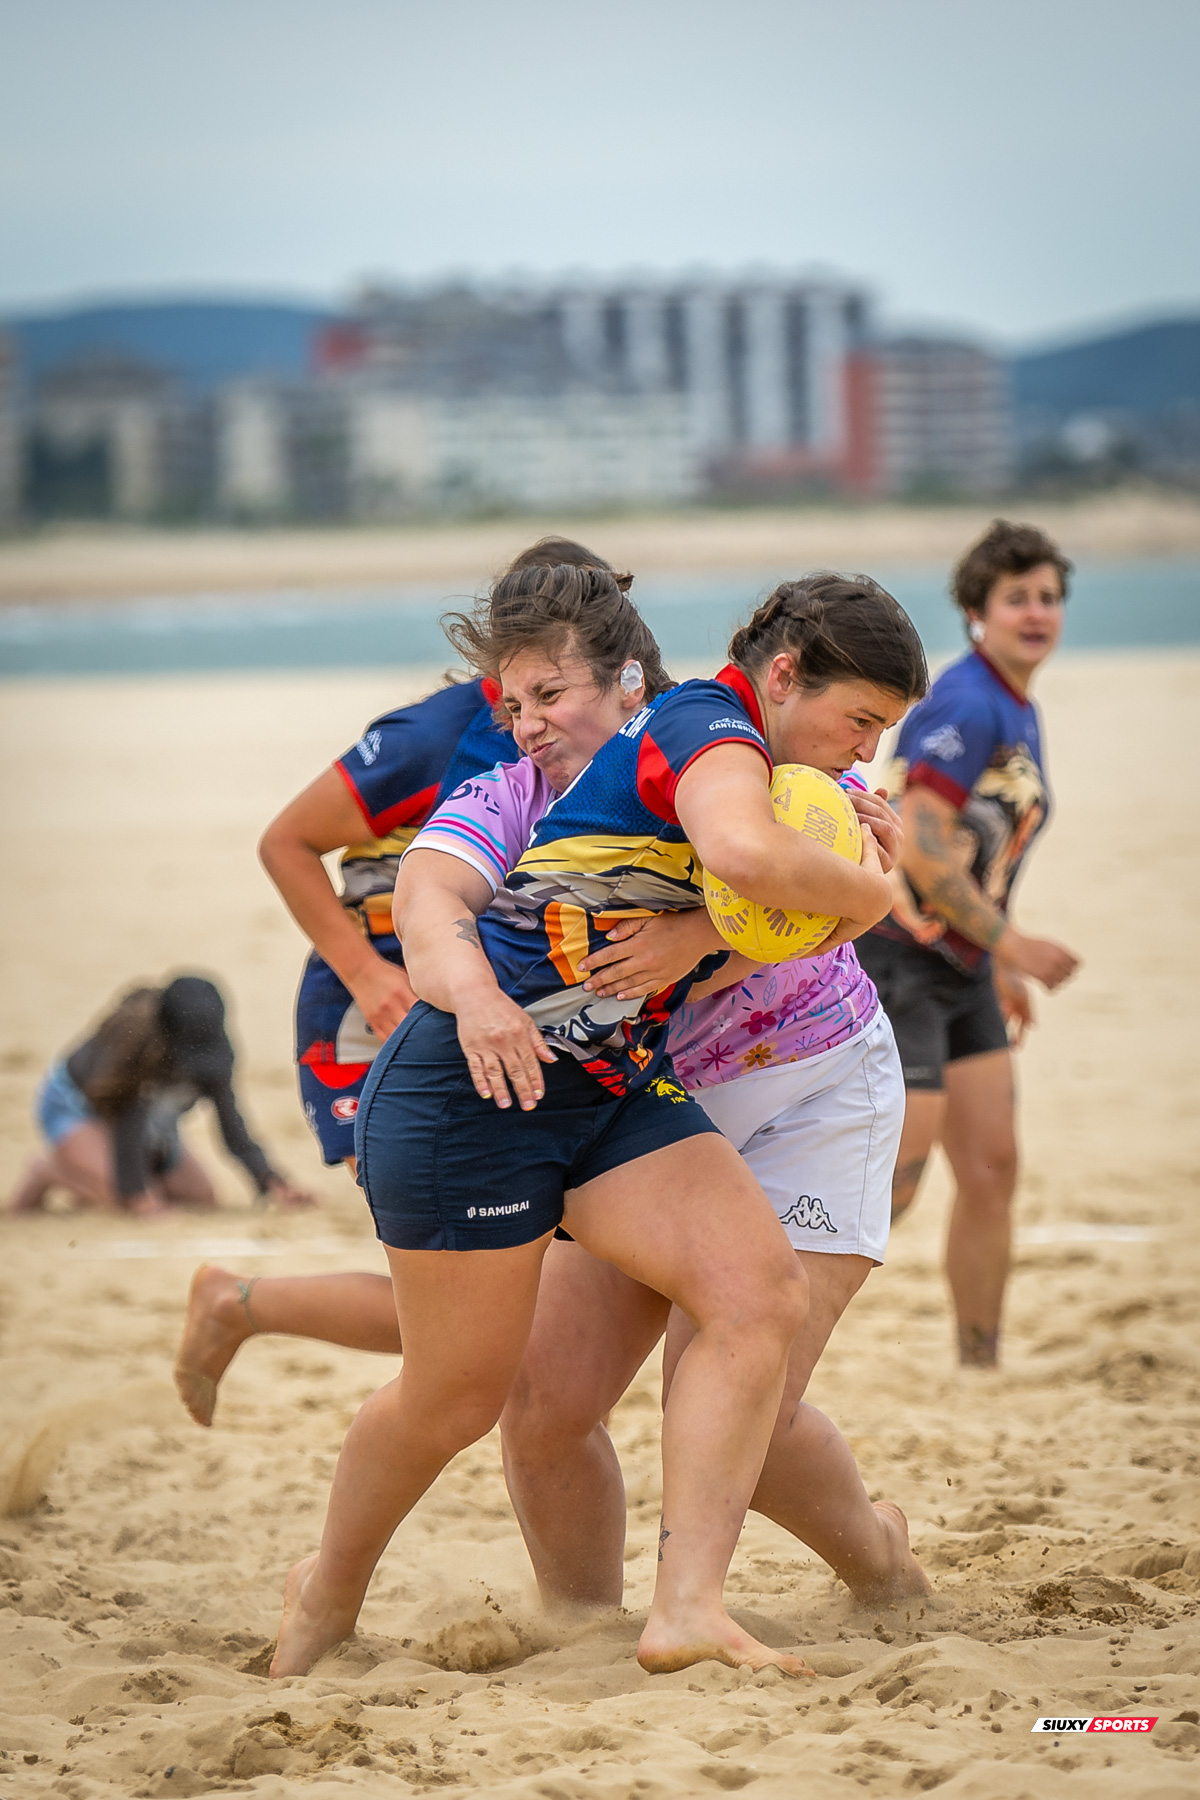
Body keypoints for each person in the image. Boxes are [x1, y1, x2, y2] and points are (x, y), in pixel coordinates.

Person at [176, 576, 932, 1616]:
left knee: (742, 1398)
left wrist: (706, 933)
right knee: (537, 1396)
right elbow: (430, 906)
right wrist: (468, 997)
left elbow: (784, 898)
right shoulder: (507, 796)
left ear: (630, 684)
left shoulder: (745, 762)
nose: (527, 724)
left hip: (808, 1082)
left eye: (550, 694)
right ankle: (583, 1630)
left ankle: (877, 1570)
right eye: (511, 702)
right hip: (629, 1099)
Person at [258, 537, 616, 1174]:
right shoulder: (432, 738)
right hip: (375, 995)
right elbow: (285, 843)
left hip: (496, 995)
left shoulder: (620, 728)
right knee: (416, 1211)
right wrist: (367, 977)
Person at [855, 520, 1081, 1367]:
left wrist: (994, 958)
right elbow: (920, 848)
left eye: (1048, 597)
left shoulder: (1016, 703)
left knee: (991, 1167)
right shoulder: (965, 701)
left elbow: (986, 854)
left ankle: (979, 1364)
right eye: (1017, 598)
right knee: (894, 1184)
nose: (1037, 613)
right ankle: (758, 1330)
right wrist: (1014, 945)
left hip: (965, 967)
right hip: (900, 958)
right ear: (976, 612)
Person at [7, 976, 310, 1216]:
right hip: (80, 1109)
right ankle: (50, 1170)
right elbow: (127, 1118)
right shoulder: (136, 1044)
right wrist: (137, 1194)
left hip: (152, 1124)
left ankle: (92, 1174)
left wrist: (270, 1181)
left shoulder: (213, 1048)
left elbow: (231, 1123)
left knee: (200, 1199)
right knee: (123, 1197)